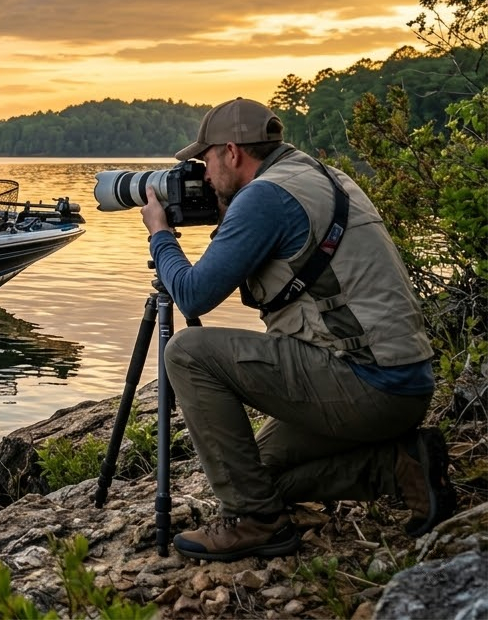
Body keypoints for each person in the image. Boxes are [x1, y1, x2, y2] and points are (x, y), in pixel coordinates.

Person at [139, 97, 455, 563]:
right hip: (404, 383)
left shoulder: (265, 198)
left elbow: (191, 295)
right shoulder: (318, 176)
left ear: (231, 153)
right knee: (256, 472)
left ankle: (256, 523)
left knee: (188, 351)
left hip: (367, 385)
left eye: (204, 160)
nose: (202, 174)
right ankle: (402, 467)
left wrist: (160, 234)